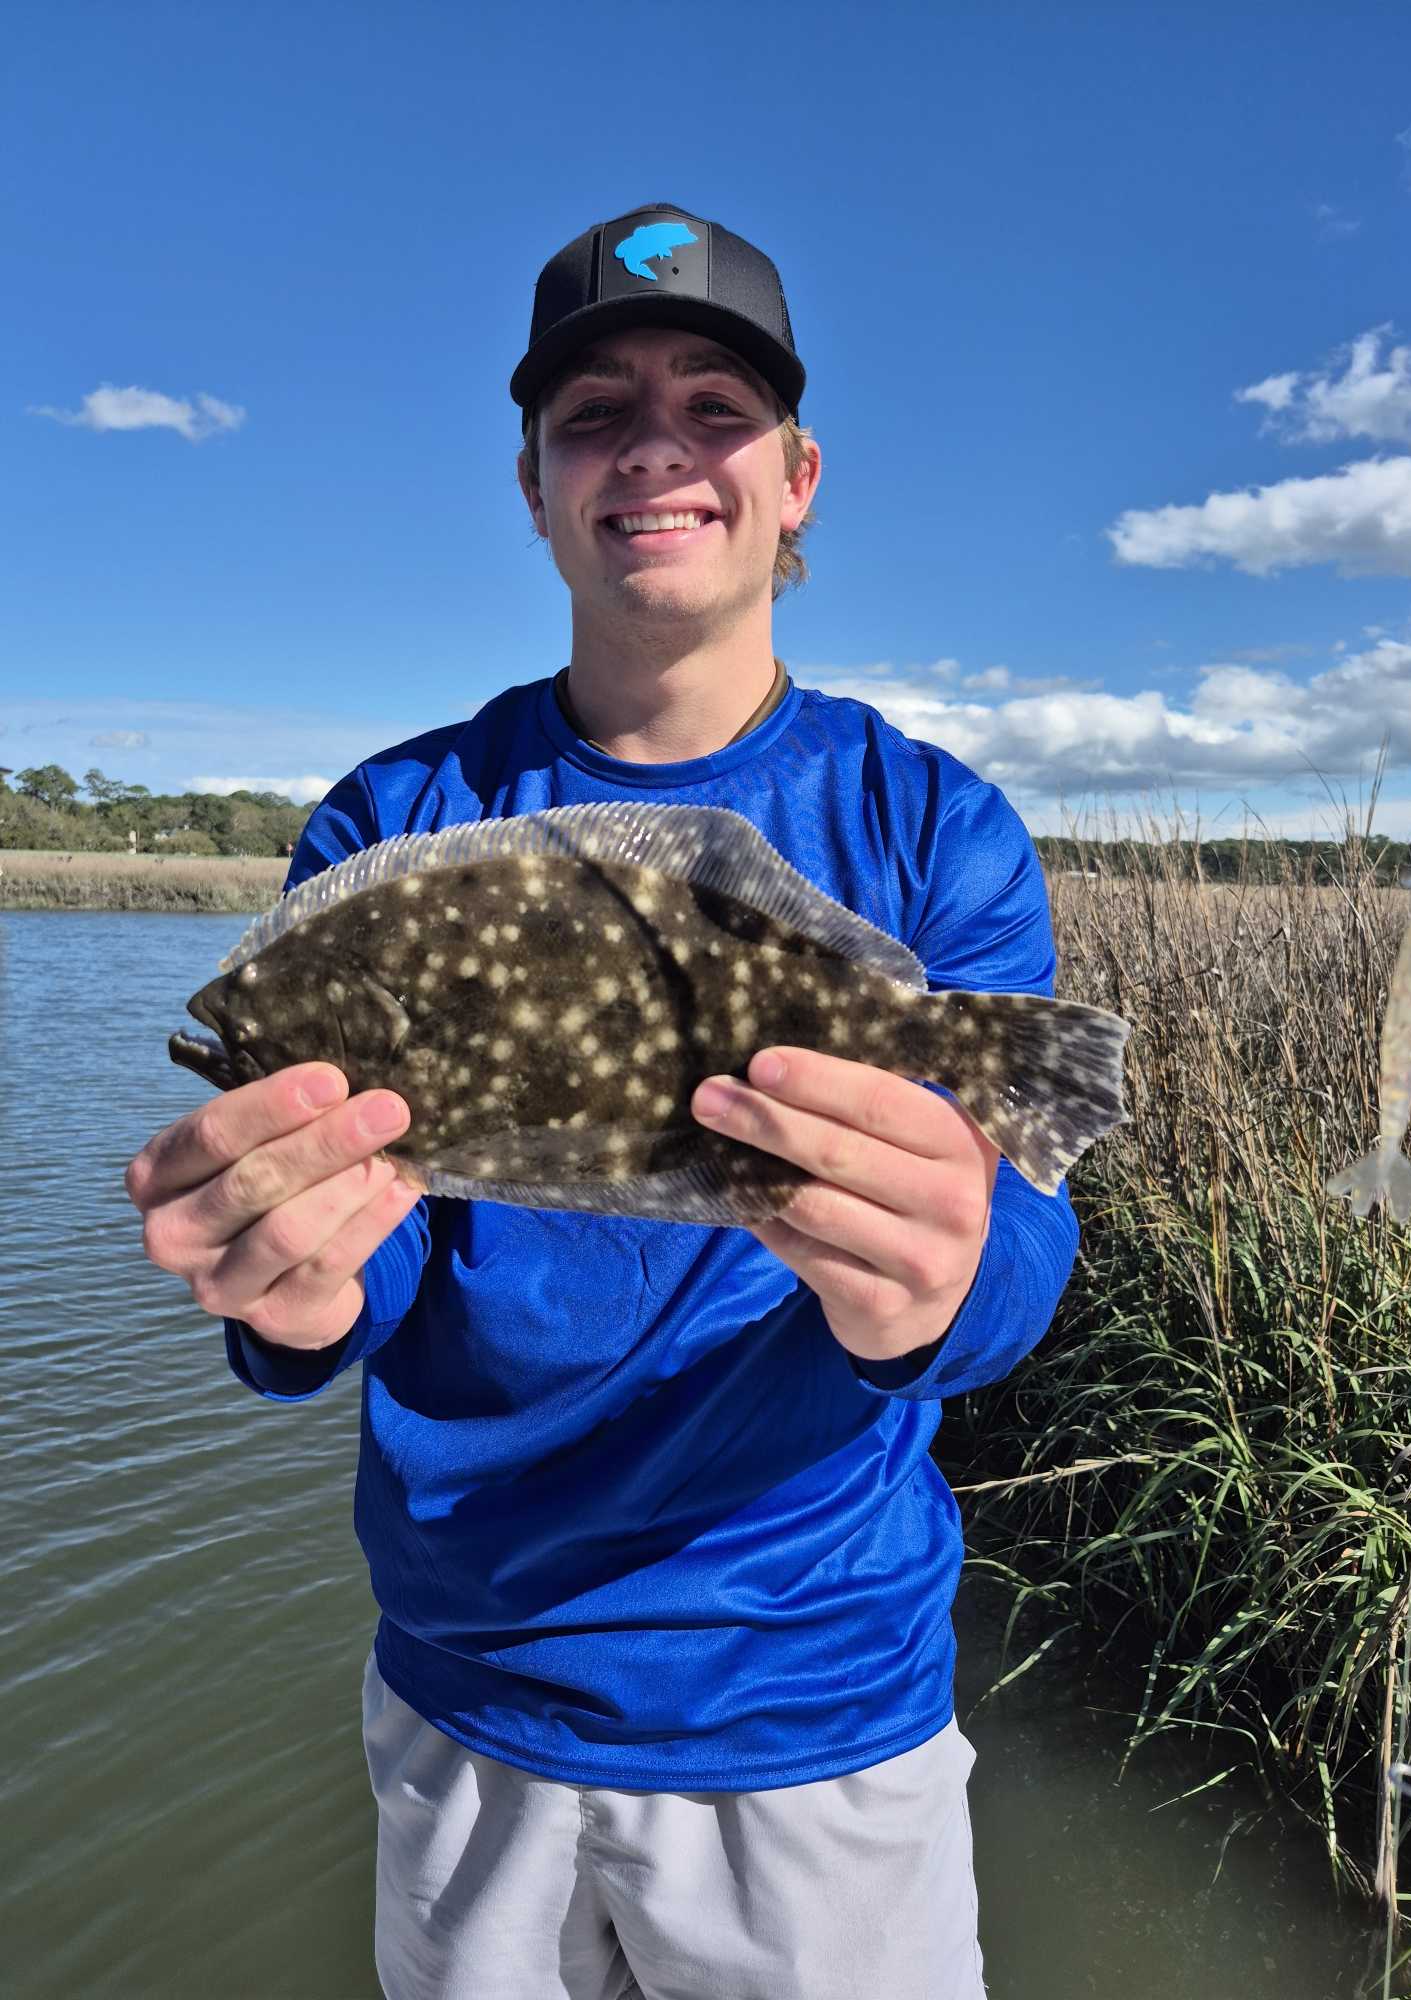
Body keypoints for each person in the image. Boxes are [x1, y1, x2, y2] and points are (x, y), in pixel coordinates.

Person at [126, 202, 1079, 2000]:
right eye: (594, 415)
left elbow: (1014, 1259)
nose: (654, 447)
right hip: (469, 1687)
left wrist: (941, 1286)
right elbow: (378, 1261)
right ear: (535, 485)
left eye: (715, 407)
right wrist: (291, 1292)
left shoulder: (934, 825)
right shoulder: (391, 820)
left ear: (796, 479)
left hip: (813, 1698)